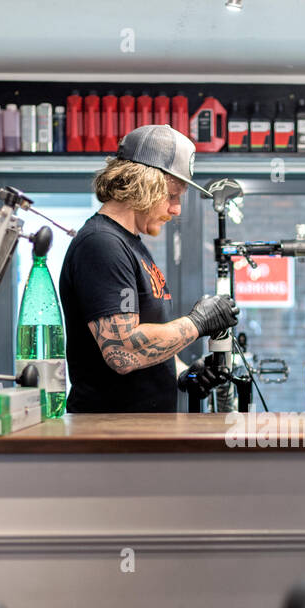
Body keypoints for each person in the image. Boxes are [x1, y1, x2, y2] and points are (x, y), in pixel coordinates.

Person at [59, 125, 239, 413]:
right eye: (172, 195)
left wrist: (184, 373)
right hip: (110, 437)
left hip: (140, 431)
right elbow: (122, 352)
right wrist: (197, 323)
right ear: (145, 185)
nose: (177, 209)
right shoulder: (102, 244)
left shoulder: (131, 244)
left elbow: (147, 334)